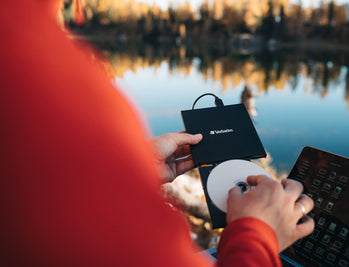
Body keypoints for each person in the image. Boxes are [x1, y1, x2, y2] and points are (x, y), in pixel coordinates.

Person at [0, 1, 314, 266]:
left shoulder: (27, 51)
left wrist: (131, 173)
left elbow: (56, 214)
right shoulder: (36, 75)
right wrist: (258, 235)